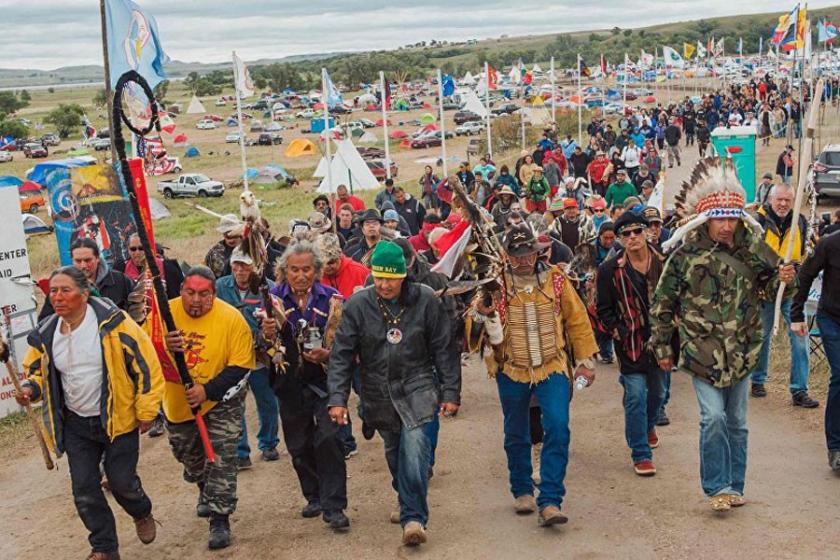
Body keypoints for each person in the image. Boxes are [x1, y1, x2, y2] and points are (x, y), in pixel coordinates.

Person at [650, 157, 796, 512]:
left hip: (744, 351)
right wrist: (661, 347)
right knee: (712, 418)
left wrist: (786, 281)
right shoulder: (685, 256)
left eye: (732, 217)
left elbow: (774, 286)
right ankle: (716, 486)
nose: (727, 225)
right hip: (701, 355)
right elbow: (663, 303)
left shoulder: (754, 249)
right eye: (720, 218)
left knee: (739, 424)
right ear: (706, 219)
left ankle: (735, 485)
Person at [17, 266, 164, 560]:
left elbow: (146, 367)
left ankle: (141, 510)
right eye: (53, 291)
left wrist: (147, 409)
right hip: (76, 424)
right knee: (84, 489)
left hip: (117, 419)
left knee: (121, 482)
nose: (57, 297)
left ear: (84, 294)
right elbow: (35, 369)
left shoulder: (114, 324)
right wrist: (30, 389)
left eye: (65, 290)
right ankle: (104, 548)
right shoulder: (47, 332)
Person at [328, 241, 460, 546]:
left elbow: (444, 348)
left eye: (390, 278)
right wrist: (337, 398)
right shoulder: (359, 305)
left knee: (415, 448)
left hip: (418, 385)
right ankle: (405, 497)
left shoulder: (426, 300)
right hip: (378, 391)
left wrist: (451, 391)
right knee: (394, 451)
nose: (384, 285)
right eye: (379, 277)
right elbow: (342, 355)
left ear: (404, 275)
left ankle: (414, 517)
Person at [468, 224, 598, 527]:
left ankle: (551, 499)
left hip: (552, 366)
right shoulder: (494, 284)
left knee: (558, 427)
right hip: (511, 369)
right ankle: (522, 489)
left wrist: (584, 361)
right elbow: (471, 332)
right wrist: (482, 315)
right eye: (518, 254)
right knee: (516, 432)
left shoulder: (556, 279)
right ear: (507, 255)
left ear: (537, 252)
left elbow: (577, 320)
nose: (524, 259)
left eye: (529, 253)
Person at [163, 266, 256, 549]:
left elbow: (240, 366)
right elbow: (144, 351)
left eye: (204, 294)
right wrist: (162, 344)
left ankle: (219, 518)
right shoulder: (164, 315)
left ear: (214, 295)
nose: (196, 300)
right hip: (178, 402)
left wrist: (207, 391)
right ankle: (204, 486)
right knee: (189, 456)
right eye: (190, 293)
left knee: (221, 456)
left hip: (221, 400)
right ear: (181, 292)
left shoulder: (232, 319)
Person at [268, 238, 350, 530]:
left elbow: (348, 343)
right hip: (288, 382)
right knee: (299, 445)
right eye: (294, 270)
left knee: (329, 439)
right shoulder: (271, 300)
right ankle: (314, 495)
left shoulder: (333, 299)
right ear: (284, 271)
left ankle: (334, 506)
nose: (301, 275)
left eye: (306, 270)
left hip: (326, 381)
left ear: (316, 271)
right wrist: (267, 333)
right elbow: (258, 345)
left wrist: (327, 353)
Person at [597, 212, 671, 476]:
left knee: (659, 394)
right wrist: (617, 330)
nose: (632, 238)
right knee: (636, 396)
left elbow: (679, 298)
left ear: (646, 233)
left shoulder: (665, 262)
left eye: (636, 232)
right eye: (625, 234)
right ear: (619, 239)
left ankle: (648, 424)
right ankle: (640, 453)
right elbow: (602, 308)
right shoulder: (609, 270)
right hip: (630, 345)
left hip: (662, 343)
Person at [748, 184, 817, 407]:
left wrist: (797, 269)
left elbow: (806, 254)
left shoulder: (801, 221)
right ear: (770, 199)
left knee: (800, 337)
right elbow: (750, 256)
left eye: (788, 200)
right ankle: (757, 379)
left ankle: (799, 389)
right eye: (780, 200)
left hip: (792, 290)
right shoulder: (757, 221)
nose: (784, 204)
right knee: (763, 336)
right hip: (764, 290)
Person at [215, 249, 283, 469]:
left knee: (267, 399)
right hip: (232, 356)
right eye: (236, 264)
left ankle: (269, 443)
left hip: (260, 356)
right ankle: (240, 451)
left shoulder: (268, 288)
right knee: (235, 403)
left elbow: (280, 322)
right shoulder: (220, 287)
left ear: (255, 267)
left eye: (245, 265)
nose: (240, 270)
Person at [791, 229, 840, 471]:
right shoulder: (829, 244)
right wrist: (796, 314)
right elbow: (805, 275)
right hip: (831, 318)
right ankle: (836, 447)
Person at [40, 238, 142, 323]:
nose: (83, 265)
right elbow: (44, 323)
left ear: (97, 258)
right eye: (78, 261)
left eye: (87, 260)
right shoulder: (60, 287)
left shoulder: (120, 280)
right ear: (72, 260)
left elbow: (140, 304)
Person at [205, 214, 244, 279]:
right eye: (227, 236)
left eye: (234, 235)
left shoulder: (249, 247)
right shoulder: (214, 252)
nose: (231, 240)